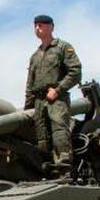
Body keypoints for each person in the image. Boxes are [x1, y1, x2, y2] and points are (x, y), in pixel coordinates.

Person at [24, 14, 82, 173]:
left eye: (41, 25)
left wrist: (58, 90)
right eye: (35, 25)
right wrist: (28, 107)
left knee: (59, 132)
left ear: (51, 27)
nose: (37, 28)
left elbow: (75, 72)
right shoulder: (35, 56)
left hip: (56, 98)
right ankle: (48, 169)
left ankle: (64, 169)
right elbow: (30, 84)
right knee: (42, 137)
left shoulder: (62, 47)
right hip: (38, 100)